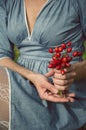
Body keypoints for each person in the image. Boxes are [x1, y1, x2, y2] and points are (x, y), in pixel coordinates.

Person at [0, 0, 86, 130]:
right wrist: (32, 76)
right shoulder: (7, 2)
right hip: (21, 82)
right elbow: (2, 55)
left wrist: (72, 72)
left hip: (63, 92)